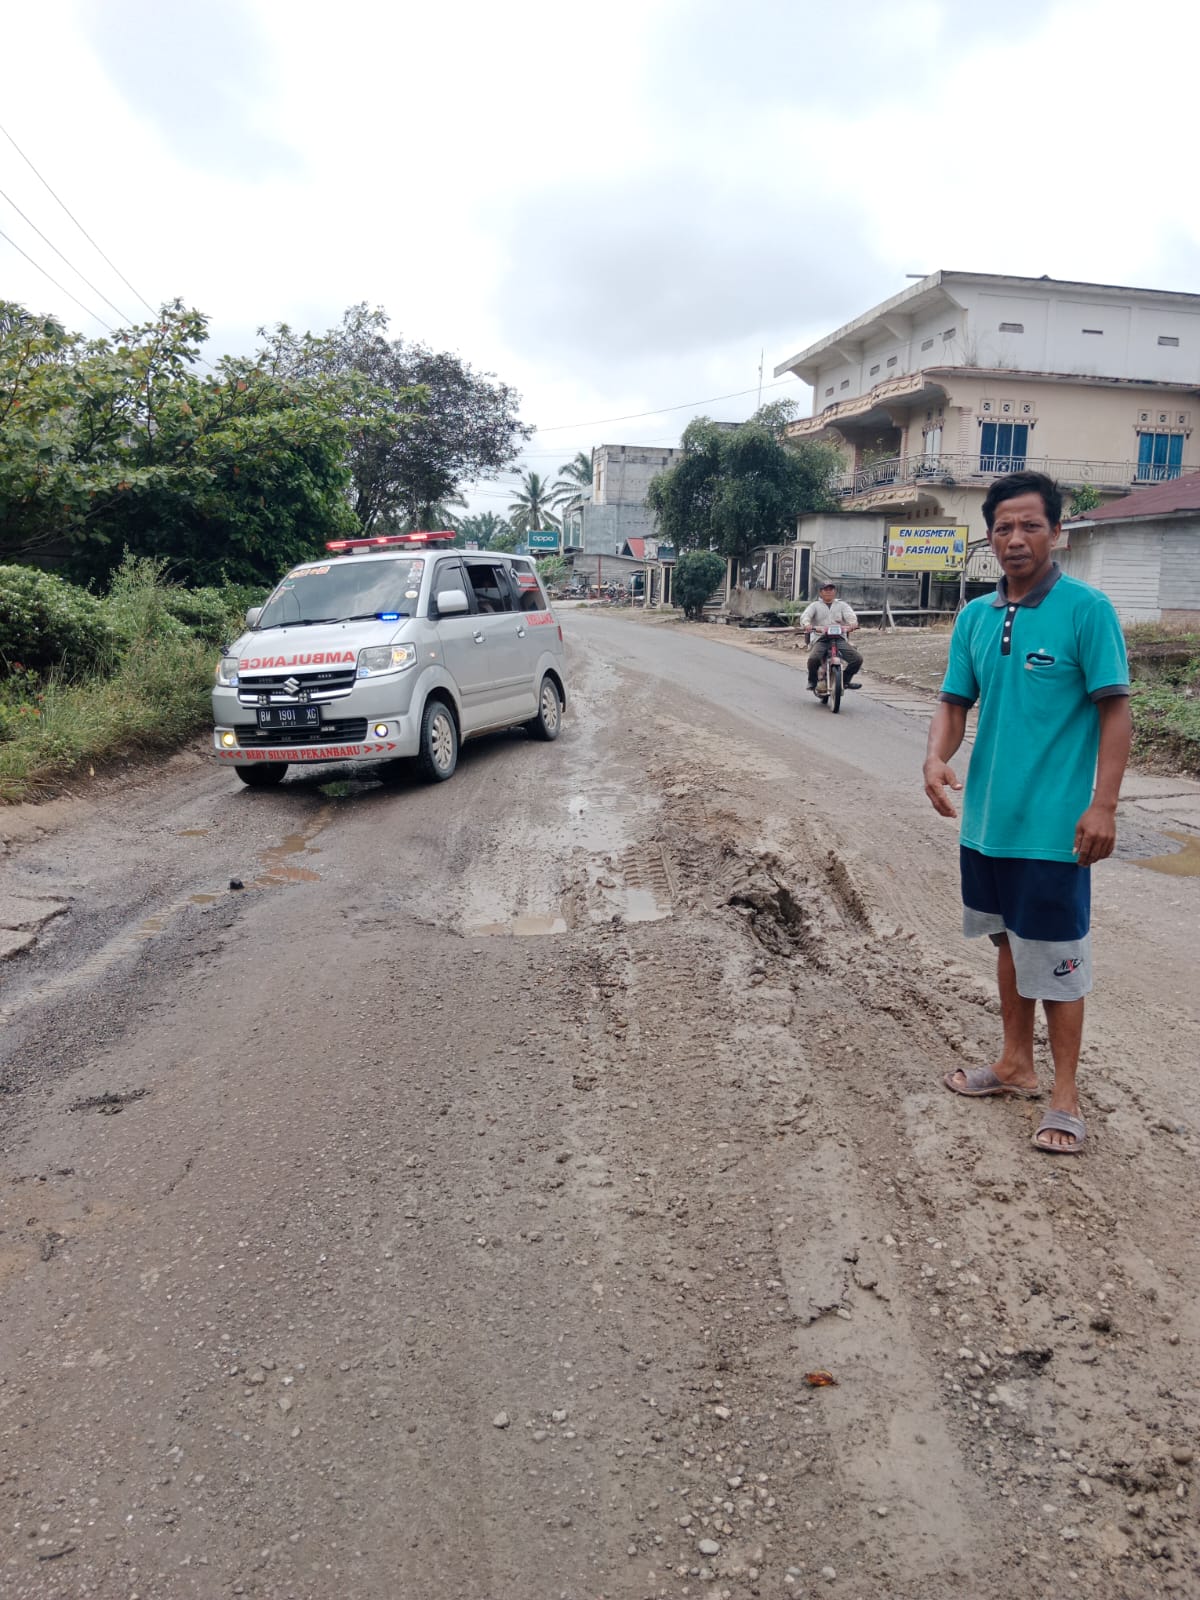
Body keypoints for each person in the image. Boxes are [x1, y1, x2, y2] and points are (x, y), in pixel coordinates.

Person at [923, 470, 1132, 1154]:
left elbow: (1115, 712)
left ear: (1056, 533)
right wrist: (935, 758)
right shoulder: (975, 617)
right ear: (989, 536)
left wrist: (1104, 804)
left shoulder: (1085, 610)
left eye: (1030, 526)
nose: (1015, 539)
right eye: (1003, 527)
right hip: (987, 825)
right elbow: (954, 703)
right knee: (1009, 942)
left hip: (1054, 831)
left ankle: (1065, 1096)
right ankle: (1015, 1064)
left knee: (1059, 961)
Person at [800, 582, 863, 691]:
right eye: (826, 590)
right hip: (821, 638)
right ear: (820, 592)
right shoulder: (814, 606)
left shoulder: (842, 605)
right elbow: (805, 616)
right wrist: (807, 624)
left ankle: (845, 681)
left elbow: (850, 616)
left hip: (839, 638)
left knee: (857, 659)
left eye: (831, 589)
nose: (828, 592)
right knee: (813, 658)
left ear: (835, 592)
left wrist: (853, 623)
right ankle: (812, 681)